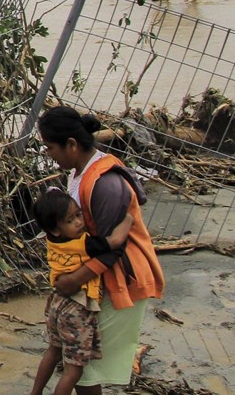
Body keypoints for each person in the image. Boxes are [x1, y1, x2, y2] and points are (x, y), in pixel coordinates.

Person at [37, 106, 165, 394]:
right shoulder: (79, 171)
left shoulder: (105, 184)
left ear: (71, 144)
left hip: (121, 276)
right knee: (82, 369)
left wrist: (73, 280)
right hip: (98, 278)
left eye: (50, 147)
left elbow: (110, 249)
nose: (48, 154)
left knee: (84, 370)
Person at [30, 188, 134, 395]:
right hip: (77, 308)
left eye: (79, 215)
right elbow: (114, 241)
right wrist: (129, 219)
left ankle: (35, 393)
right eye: (70, 220)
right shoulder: (83, 244)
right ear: (56, 229)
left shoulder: (53, 241)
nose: (79, 222)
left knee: (53, 351)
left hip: (57, 303)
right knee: (73, 371)